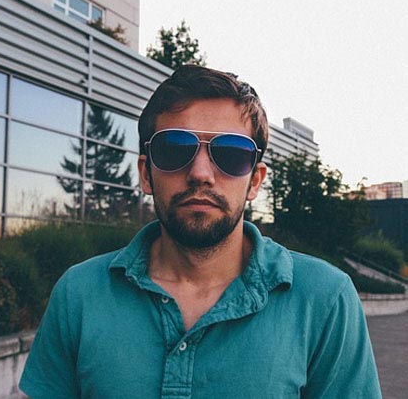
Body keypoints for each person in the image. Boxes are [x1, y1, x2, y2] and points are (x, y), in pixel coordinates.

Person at [19, 65, 382, 398]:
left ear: (255, 180)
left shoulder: (324, 298)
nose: (201, 173)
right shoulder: (79, 294)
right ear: (146, 173)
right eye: (175, 149)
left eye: (231, 153)